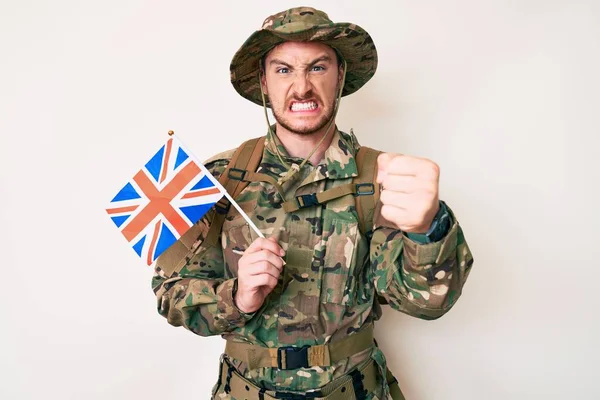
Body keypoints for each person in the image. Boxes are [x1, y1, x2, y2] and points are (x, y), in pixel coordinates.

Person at [151, 6, 474, 400]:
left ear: (340, 77)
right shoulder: (218, 177)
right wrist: (238, 297)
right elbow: (172, 296)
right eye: (283, 69)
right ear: (264, 82)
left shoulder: (382, 178)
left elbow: (425, 303)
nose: (301, 87)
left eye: (317, 67)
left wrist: (428, 230)